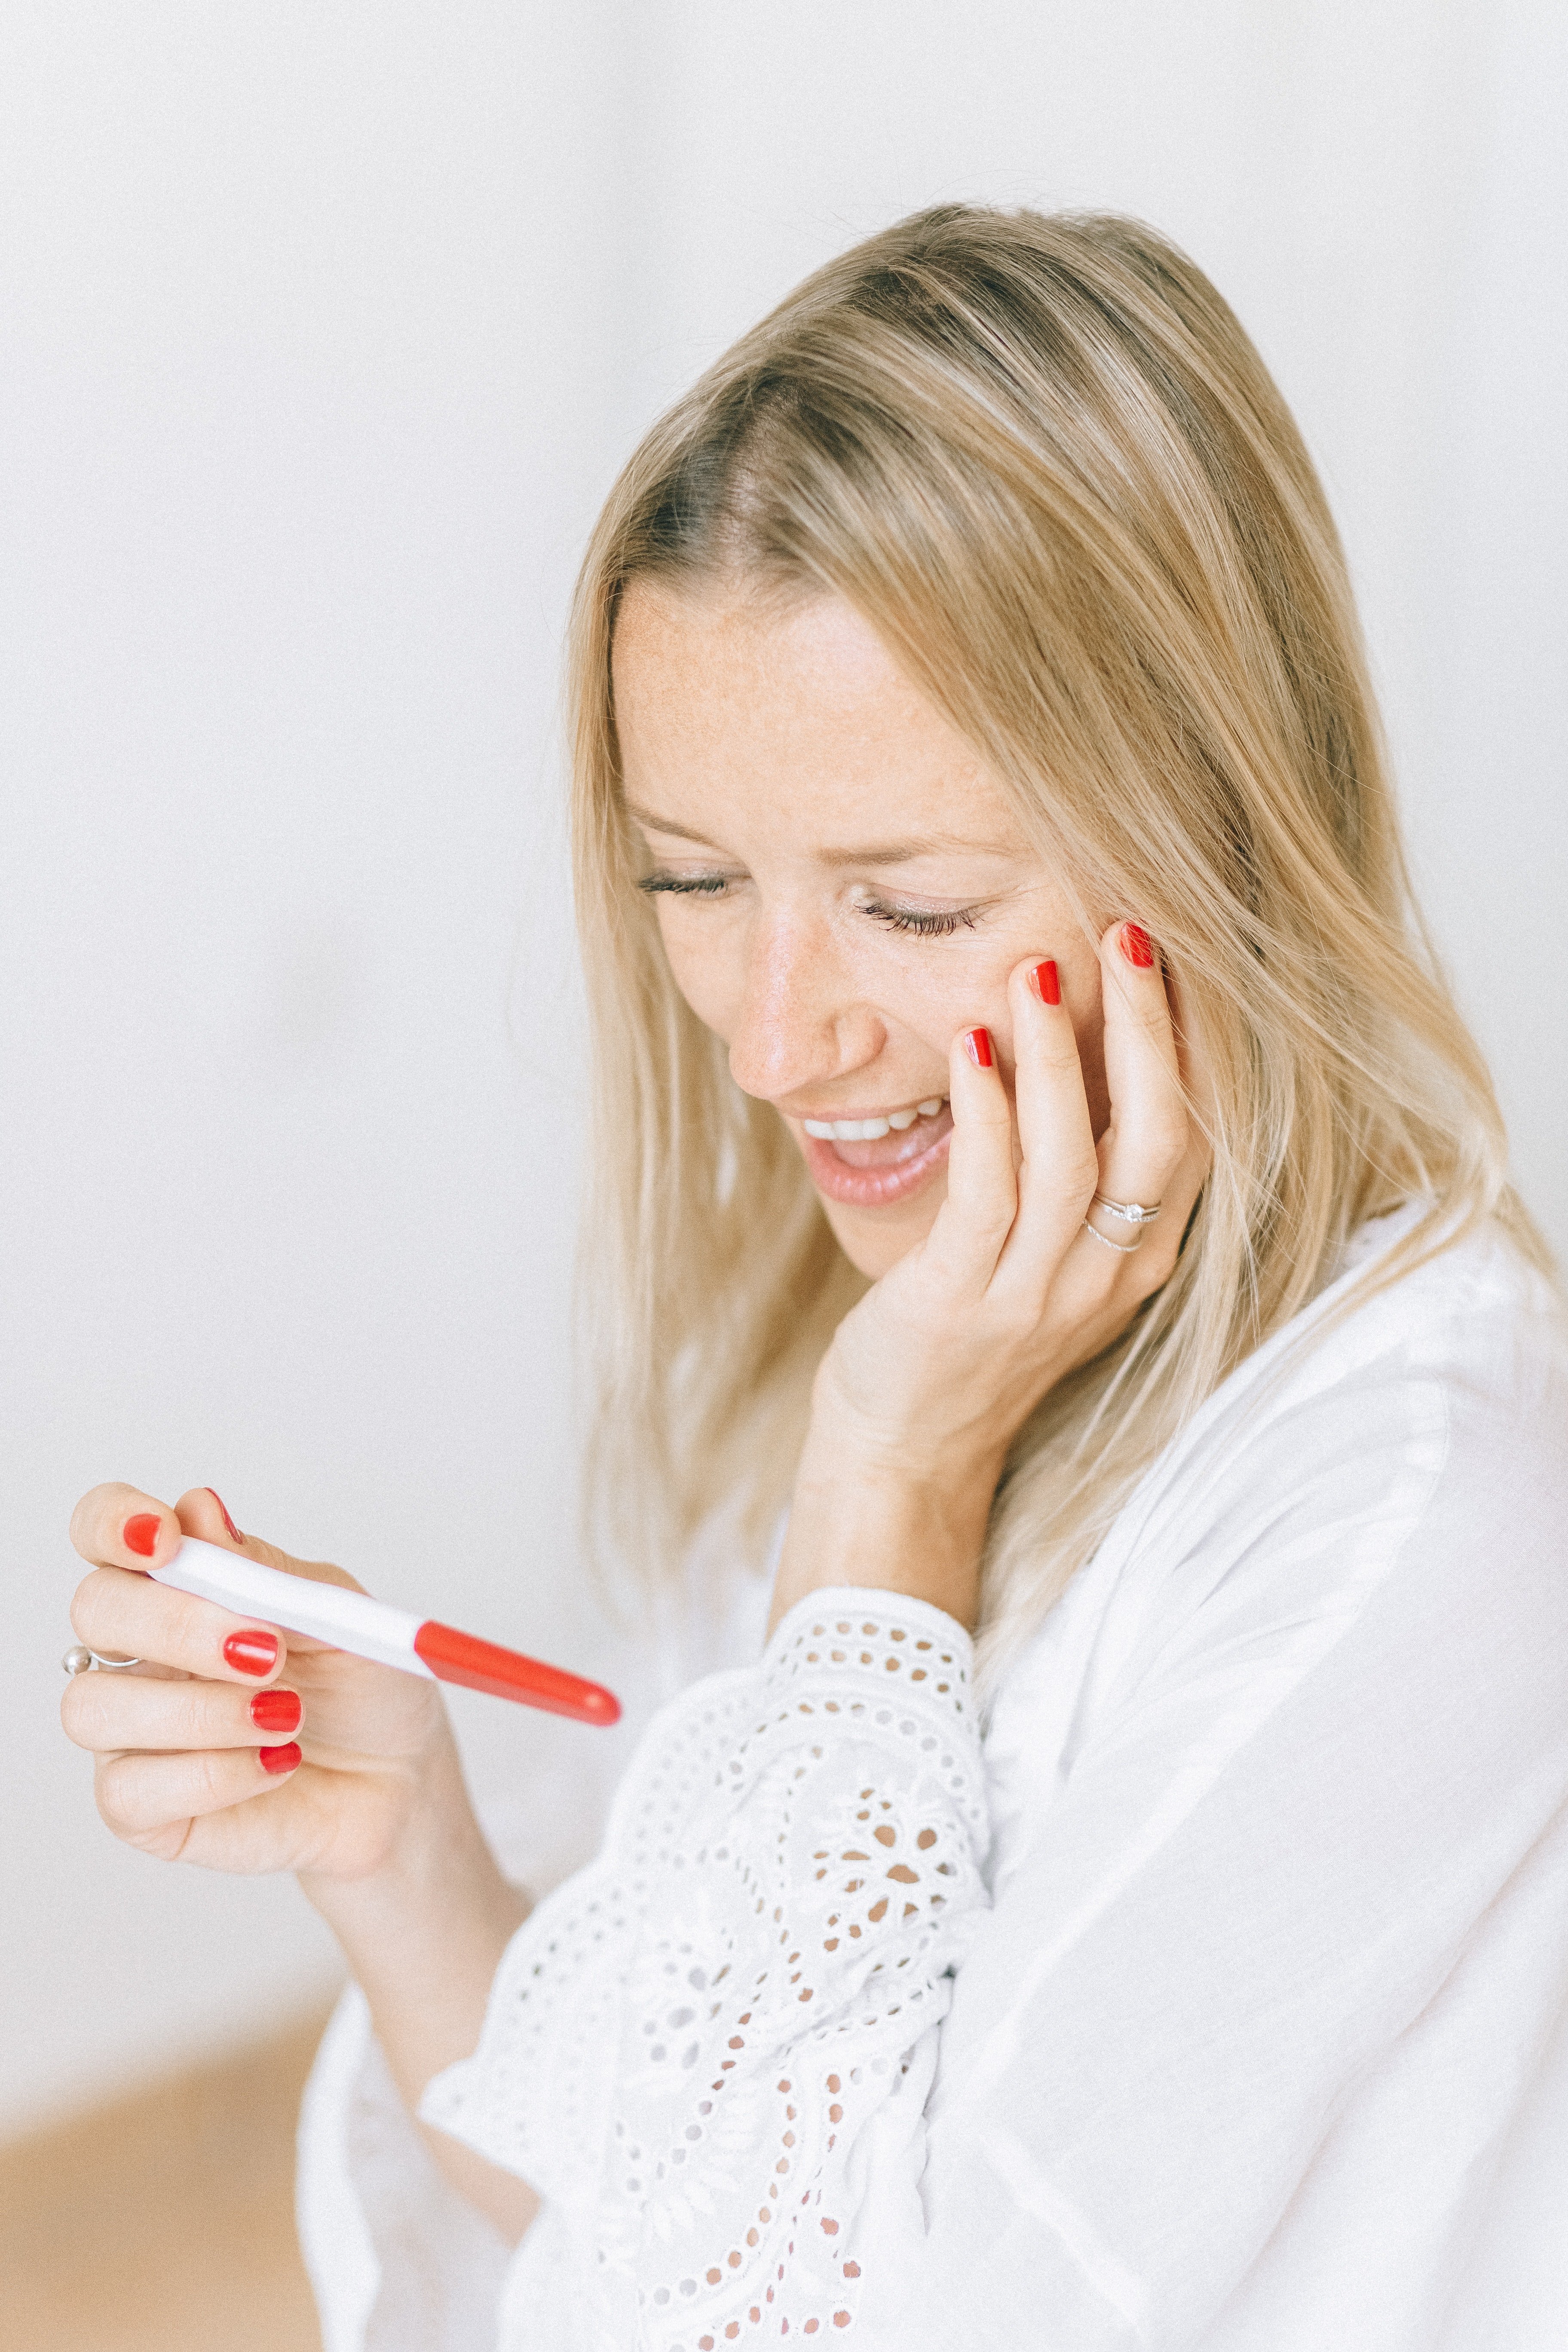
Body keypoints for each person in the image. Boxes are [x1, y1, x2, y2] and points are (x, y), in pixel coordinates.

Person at [62, 207, 1568, 2350]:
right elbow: (653, 2231)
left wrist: (885, 1499)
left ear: (1221, 837)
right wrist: (406, 1859)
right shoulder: (891, 1334)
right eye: (691, 878)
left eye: (914, 903)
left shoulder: (1431, 1523)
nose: (778, 1044)